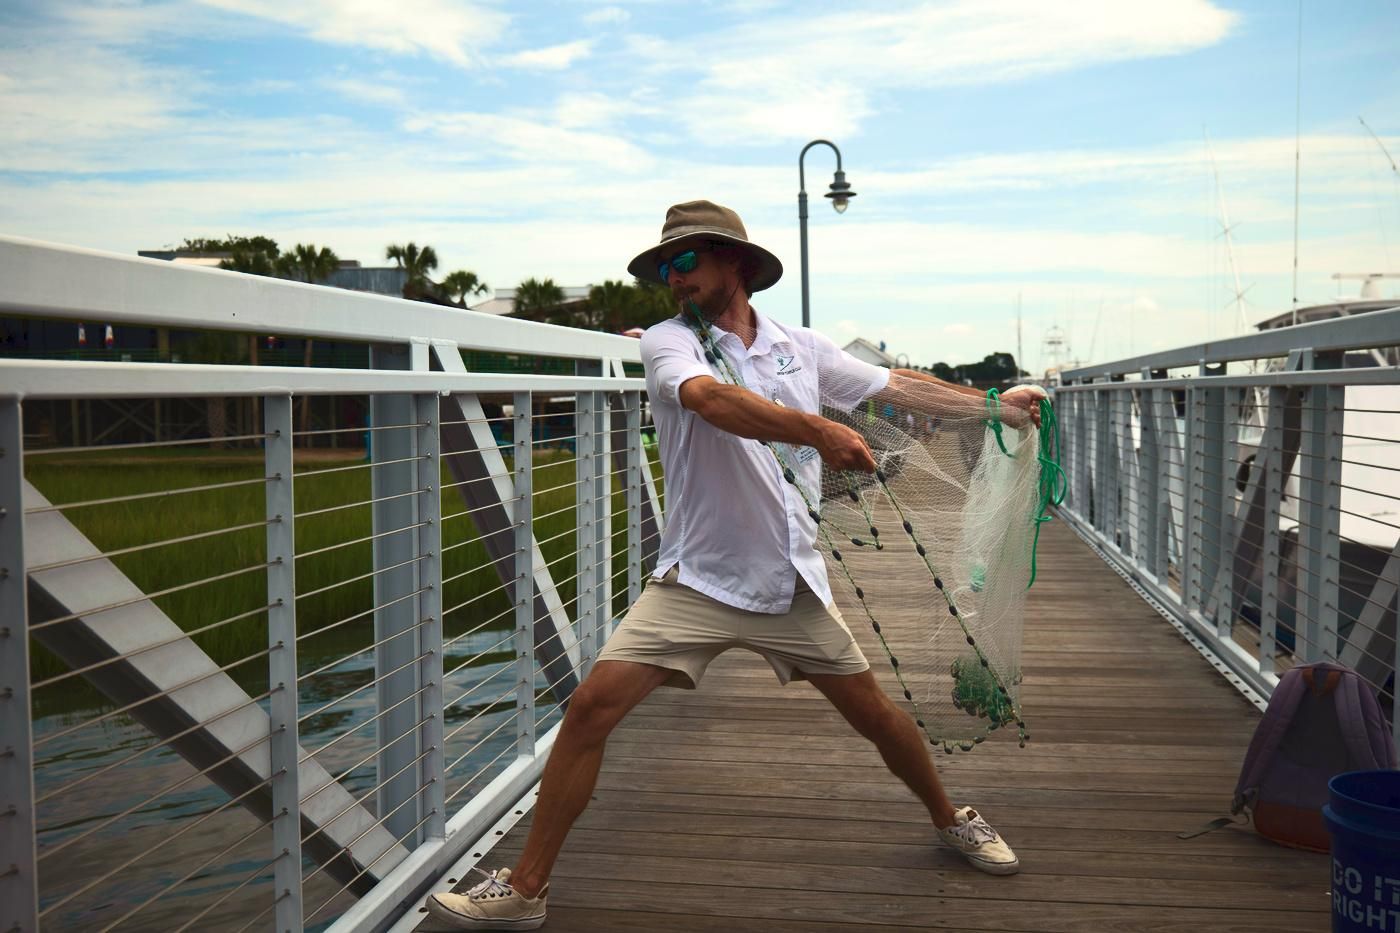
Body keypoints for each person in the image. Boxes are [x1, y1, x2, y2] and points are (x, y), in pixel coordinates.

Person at [425, 200, 1043, 931]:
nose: (673, 278)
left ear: (736, 265)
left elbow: (894, 387)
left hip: (789, 581)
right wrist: (817, 428)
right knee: (591, 707)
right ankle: (526, 889)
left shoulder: (799, 346)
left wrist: (995, 407)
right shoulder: (666, 342)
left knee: (875, 715)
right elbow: (710, 400)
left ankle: (950, 815)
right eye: (664, 267)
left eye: (685, 261)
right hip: (700, 579)